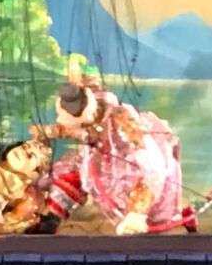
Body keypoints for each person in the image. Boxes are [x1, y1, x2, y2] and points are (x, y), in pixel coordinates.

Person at [33, 76, 194, 234]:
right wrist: (48, 131)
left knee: (148, 205)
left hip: (129, 165)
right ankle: (49, 219)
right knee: (68, 170)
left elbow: (150, 165)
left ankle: (152, 217)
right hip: (99, 159)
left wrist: (136, 212)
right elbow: (75, 131)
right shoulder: (85, 121)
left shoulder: (121, 118)